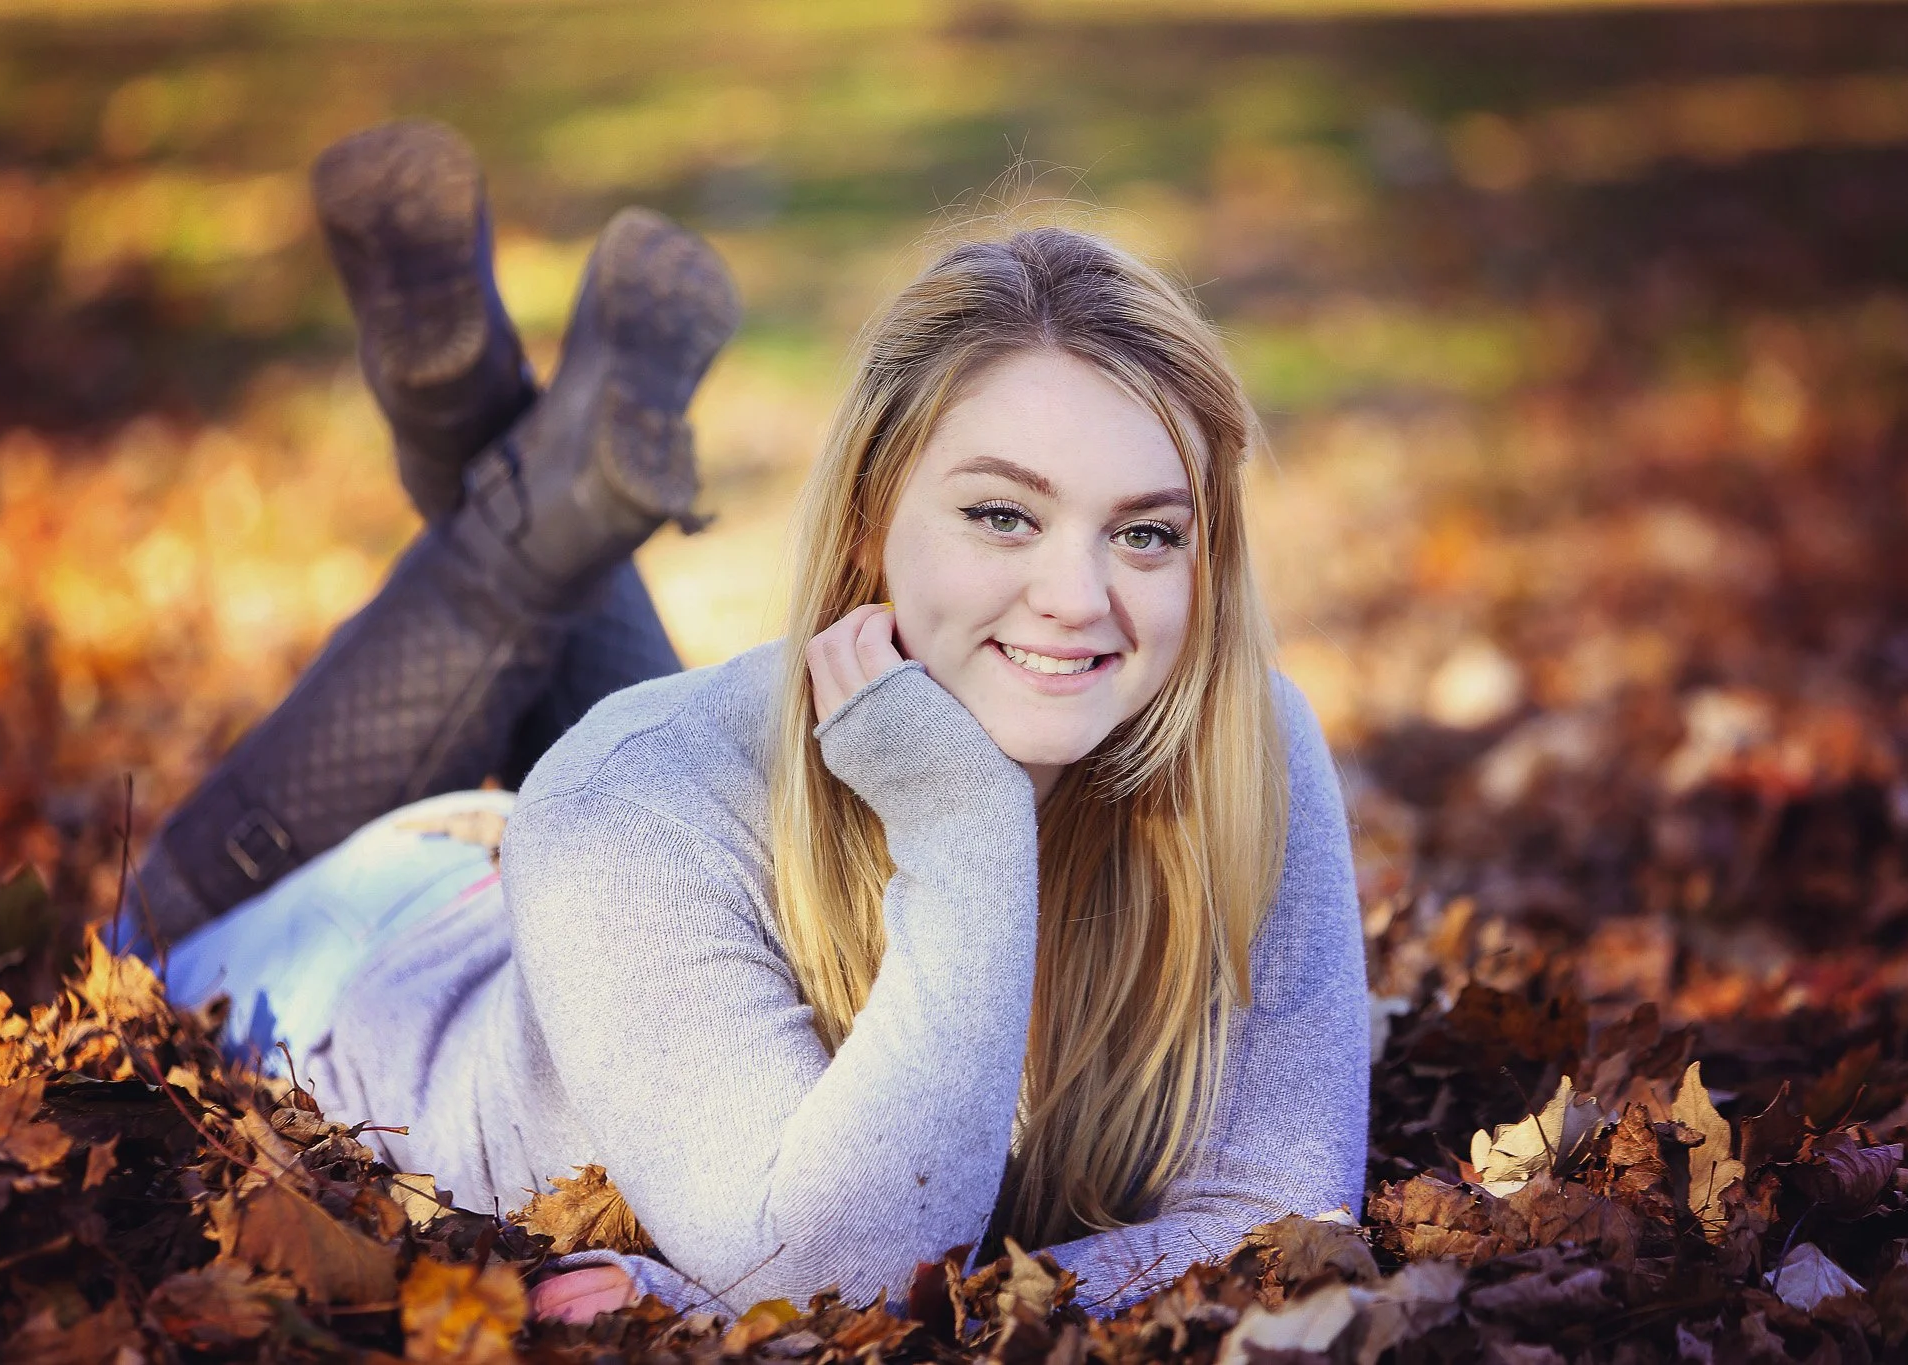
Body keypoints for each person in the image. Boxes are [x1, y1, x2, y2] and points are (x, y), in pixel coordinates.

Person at [114, 120, 1369, 1327]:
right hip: (332, 957)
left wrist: (775, 1306)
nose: (1079, 597)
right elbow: (843, 1274)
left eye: (1146, 532)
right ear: (870, 518)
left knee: (652, 731)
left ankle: (492, 423)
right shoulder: (632, 795)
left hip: (594, 901)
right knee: (154, 921)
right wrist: (966, 818)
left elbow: (1277, 1218)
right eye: (1002, 515)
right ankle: (486, 424)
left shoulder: (1240, 744)